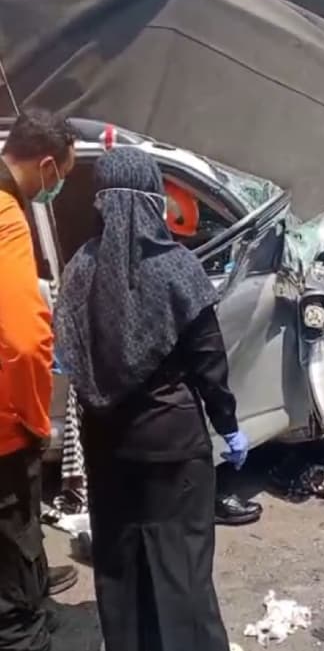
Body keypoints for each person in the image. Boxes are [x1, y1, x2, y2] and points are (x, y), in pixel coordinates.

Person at [53, 147, 249, 651]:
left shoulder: (80, 270)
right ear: (152, 201)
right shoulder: (178, 269)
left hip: (106, 445)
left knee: (120, 563)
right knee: (180, 564)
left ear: (103, 203)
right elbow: (210, 363)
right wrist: (228, 425)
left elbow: (68, 356)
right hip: (173, 447)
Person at [0, 109, 77, 650]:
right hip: (3, 422)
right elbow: (25, 341)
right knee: (12, 531)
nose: (59, 188)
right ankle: (22, 627)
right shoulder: (7, 216)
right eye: (63, 178)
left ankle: (32, 580)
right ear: (47, 165)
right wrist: (34, 416)